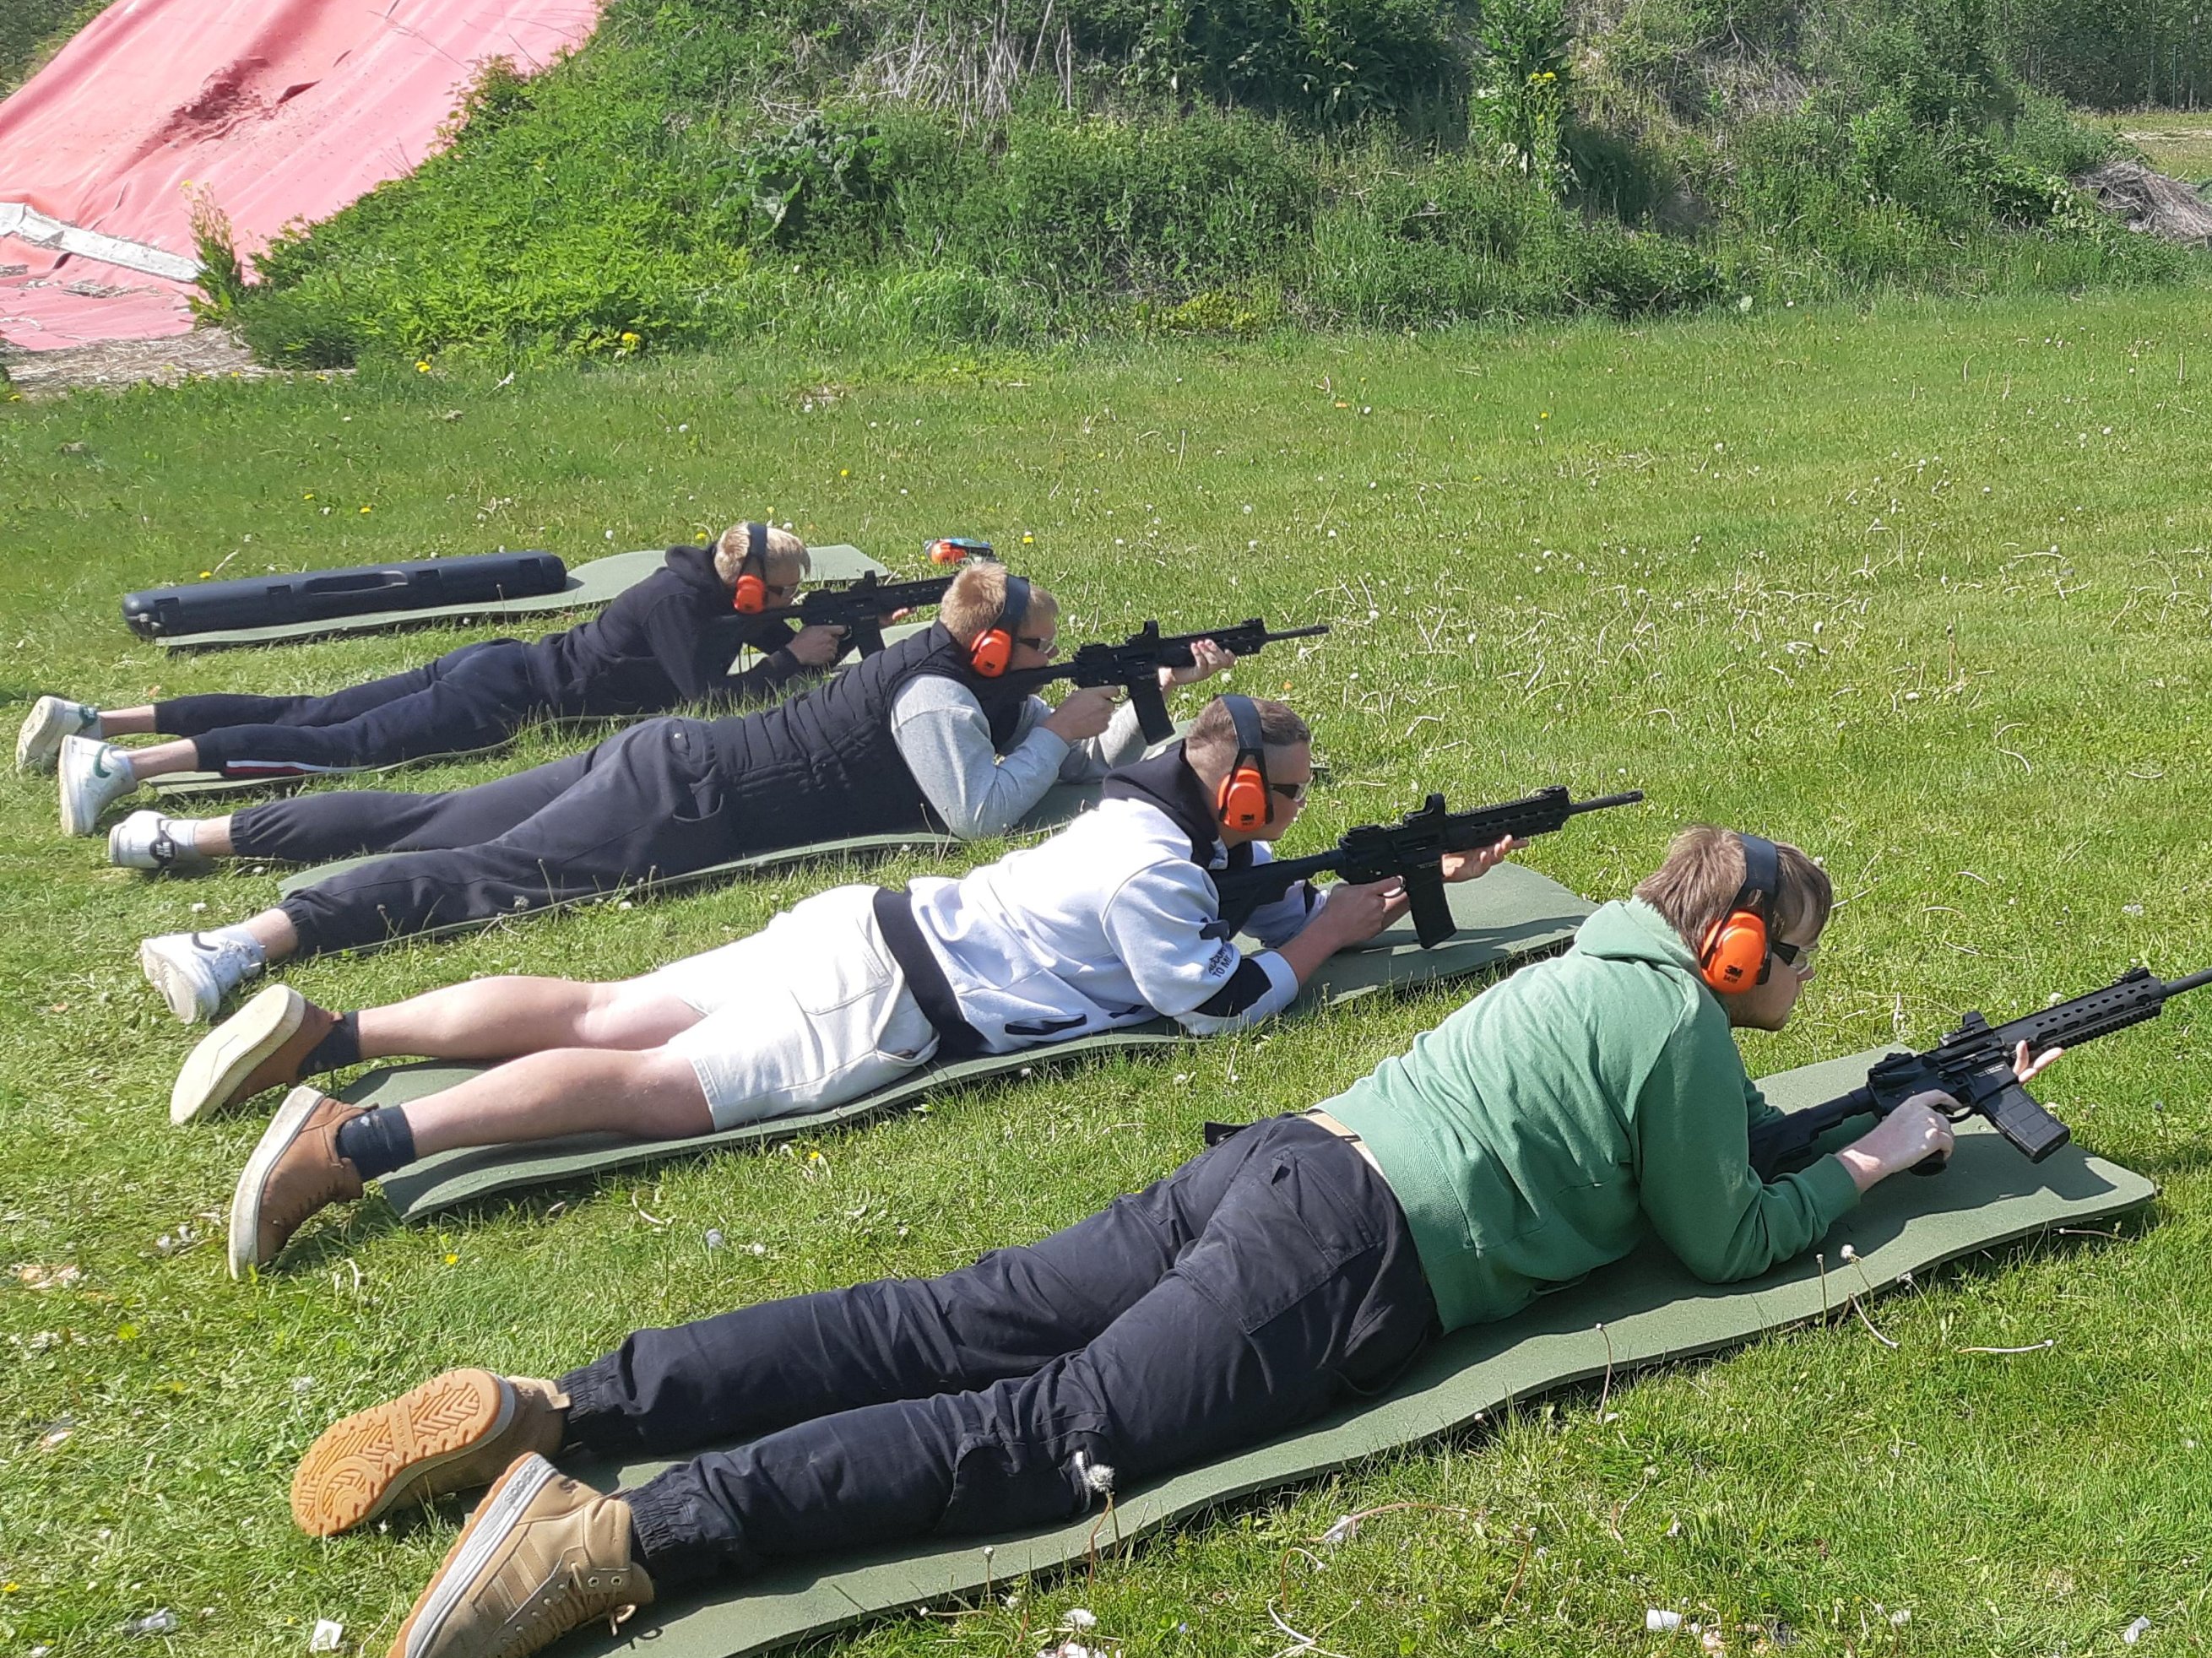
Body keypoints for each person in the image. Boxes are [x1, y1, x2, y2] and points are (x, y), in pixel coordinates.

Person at [293, 825, 2047, 1658]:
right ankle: (603, 1539)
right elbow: (1725, 1234)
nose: (1798, 983)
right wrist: (1875, 1168)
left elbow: (1713, 1138)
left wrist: (1854, 1113)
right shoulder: (1678, 1026)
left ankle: (565, 1404)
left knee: (942, 1316)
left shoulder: (1603, 960)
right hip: (1349, 1260)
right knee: (1050, 1437)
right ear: (1734, 947)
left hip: (1276, 1162)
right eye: (1793, 958)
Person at [208, 694, 1516, 1277]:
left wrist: (1395, 881)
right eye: (1286, 794)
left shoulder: (1145, 822)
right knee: (645, 1086)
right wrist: (1330, 940)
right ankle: (354, 1144)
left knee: (602, 1003)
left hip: (863, 926)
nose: (1293, 813)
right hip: (881, 1006)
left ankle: (332, 1032)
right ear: (1233, 787)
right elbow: (1217, 1006)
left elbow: (1260, 887)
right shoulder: (1152, 872)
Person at [130, 562, 1217, 1026]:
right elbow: (981, 813)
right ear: (986, 649)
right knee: (479, 871)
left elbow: (1067, 767)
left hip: (673, 758)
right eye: (1038, 648)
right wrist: (1059, 731)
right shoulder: (936, 700)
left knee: (438, 817)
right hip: (681, 804)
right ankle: (242, 944)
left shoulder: (968, 685)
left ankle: (188, 837)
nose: (1049, 661)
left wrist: (1145, 701)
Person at [31, 526, 853, 853]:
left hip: (498, 663)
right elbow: (701, 702)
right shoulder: (676, 604)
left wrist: (819, 632)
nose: (784, 603)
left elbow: (747, 638)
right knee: (336, 744)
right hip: (500, 699)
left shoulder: (700, 592)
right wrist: (789, 662)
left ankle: (96, 721)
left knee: (309, 710)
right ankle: (124, 768)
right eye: (780, 591)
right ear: (747, 583)